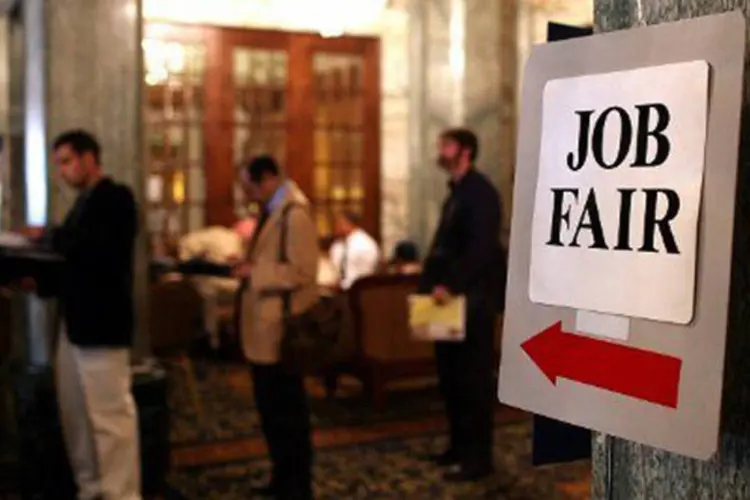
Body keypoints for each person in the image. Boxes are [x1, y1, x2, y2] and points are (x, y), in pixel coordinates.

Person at [23, 130, 142, 499]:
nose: (62, 171)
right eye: (58, 163)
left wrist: (48, 238)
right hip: (75, 324)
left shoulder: (115, 198)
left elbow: (93, 253)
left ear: (89, 159)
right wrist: (37, 280)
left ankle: (121, 493)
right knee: (76, 416)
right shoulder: (84, 204)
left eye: (66, 161)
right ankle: (91, 487)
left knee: (109, 418)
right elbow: (73, 263)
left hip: (102, 325)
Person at [419, 127, 504, 482]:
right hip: (446, 300)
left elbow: (480, 250)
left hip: (472, 302)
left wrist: (450, 285)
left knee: (472, 382)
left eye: (447, 144)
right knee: (450, 379)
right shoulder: (456, 191)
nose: (440, 149)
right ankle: (457, 447)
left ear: (465, 150)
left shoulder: (480, 192)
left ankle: (477, 458)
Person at [234, 155, 319, 500]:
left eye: (249, 187)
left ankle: (297, 485)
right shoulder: (272, 212)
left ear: (266, 179)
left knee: (288, 414)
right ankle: (281, 478)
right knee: (271, 413)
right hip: (263, 330)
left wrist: (254, 273)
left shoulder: (294, 215)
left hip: (279, 332)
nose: (247, 194)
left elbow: (302, 272)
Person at [328, 211, 380, 290]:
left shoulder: (365, 244)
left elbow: (364, 274)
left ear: (346, 223)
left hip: (358, 291)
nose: (334, 226)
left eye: (338, 223)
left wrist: (343, 284)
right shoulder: (337, 245)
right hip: (337, 290)